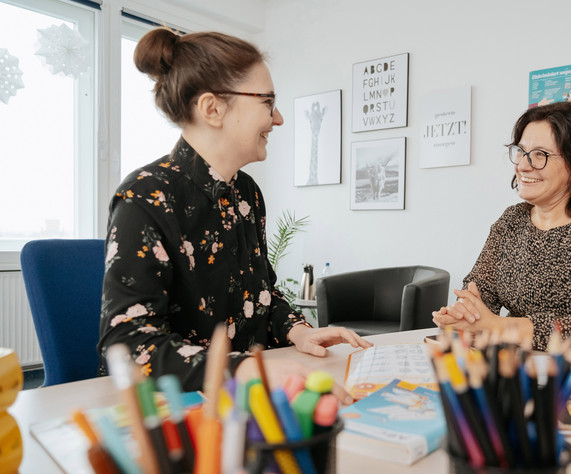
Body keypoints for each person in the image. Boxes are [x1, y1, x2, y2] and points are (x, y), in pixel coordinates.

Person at [98, 28, 370, 401]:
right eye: (267, 102)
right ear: (213, 108)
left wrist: (298, 332)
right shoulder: (145, 196)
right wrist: (246, 370)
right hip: (174, 411)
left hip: (250, 402)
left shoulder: (247, 194)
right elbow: (129, 344)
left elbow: (260, 296)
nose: (278, 119)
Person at [432, 102, 571, 352]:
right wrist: (464, 316)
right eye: (521, 151)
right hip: (511, 361)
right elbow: (478, 292)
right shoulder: (512, 219)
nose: (523, 165)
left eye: (541, 154)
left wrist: (499, 327)